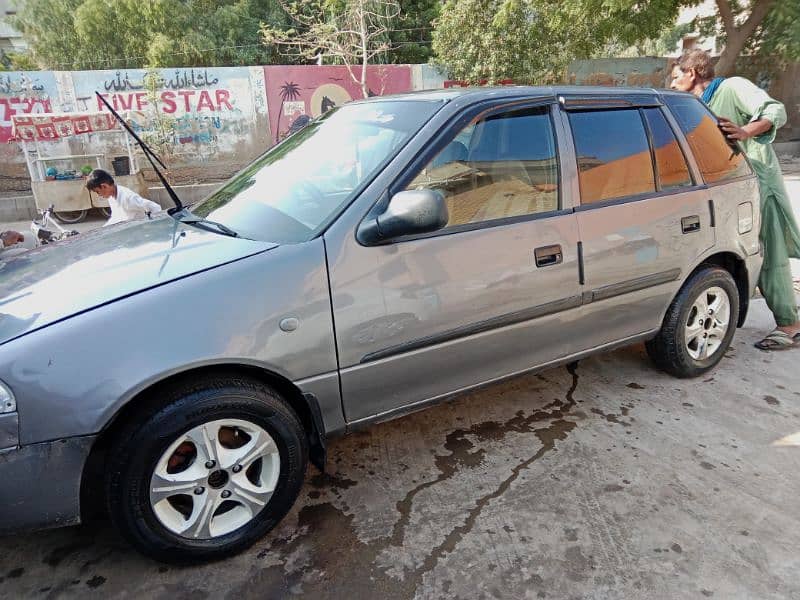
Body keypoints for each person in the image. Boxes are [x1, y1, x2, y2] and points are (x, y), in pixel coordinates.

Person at [670, 50, 800, 351]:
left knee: (771, 250)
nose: (673, 83)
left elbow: (774, 109)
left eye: (676, 77)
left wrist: (745, 131)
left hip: (758, 183)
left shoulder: (733, 88)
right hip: (730, 189)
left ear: (692, 73)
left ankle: (789, 325)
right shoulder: (699, 106)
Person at [86, 169, 162, 226]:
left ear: (104, 186)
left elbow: (155, 208)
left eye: (97, 191)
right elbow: (116, 217)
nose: (98, 194)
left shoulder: (128, 198)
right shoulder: (111, 197)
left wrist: (154, 226)